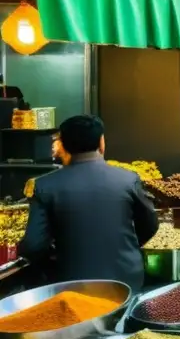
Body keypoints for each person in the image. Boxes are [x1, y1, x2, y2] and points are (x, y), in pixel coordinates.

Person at [19, 115, 158, 291]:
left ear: (64, 145)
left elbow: (33, 245)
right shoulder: (128, 179)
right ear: (101, 143)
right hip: (126, 279)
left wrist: (56, 257)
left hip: (72, 283)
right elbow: (150, 224)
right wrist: (124, 245)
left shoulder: (45, 186)